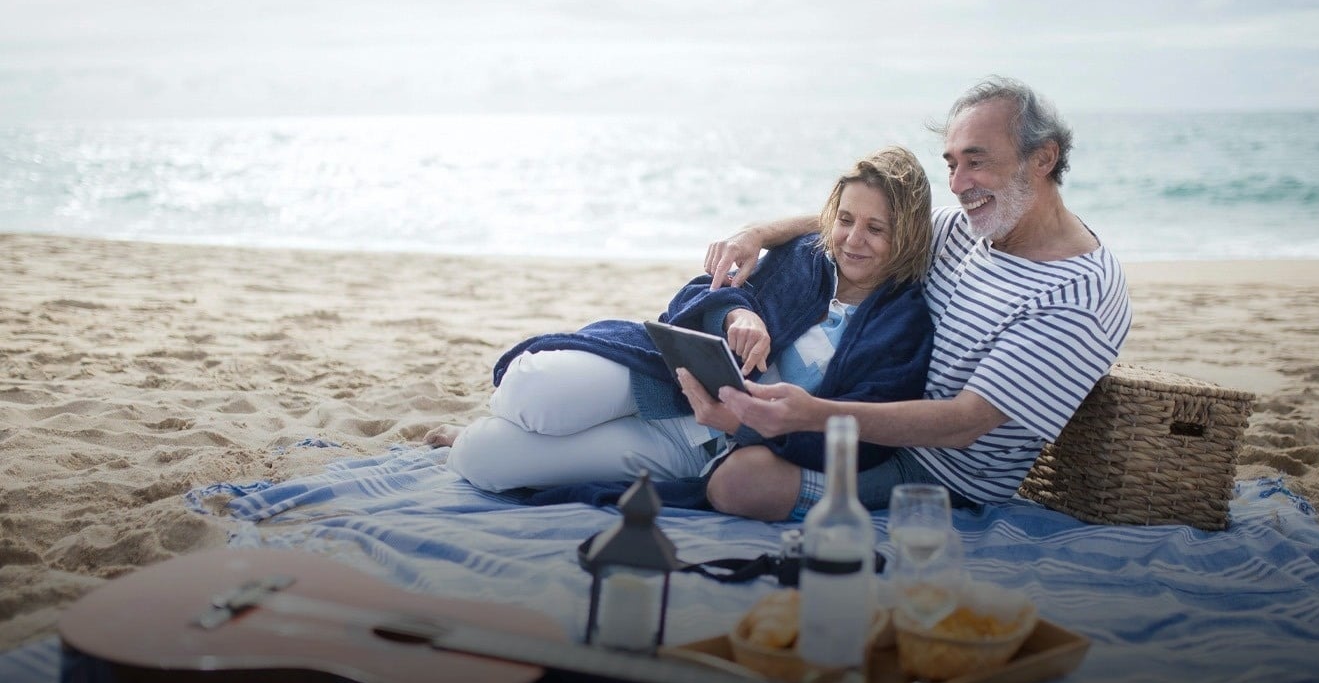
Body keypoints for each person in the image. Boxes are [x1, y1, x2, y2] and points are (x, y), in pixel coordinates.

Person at [681, 76, 1133, 521]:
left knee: (739, 482)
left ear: (1043, 158)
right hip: (869, 417)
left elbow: (964, 423)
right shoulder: (967, 228)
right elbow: (856, 222)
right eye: (951, 164)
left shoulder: (1077, 292)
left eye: (975, 162)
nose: (957, 185)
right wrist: (755, 234)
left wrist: (814, 416)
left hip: (935, 470)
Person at [425, 146, 936, 494]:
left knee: (484, 461)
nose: (851, 239)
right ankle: (533, 418)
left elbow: (858, 442)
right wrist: (742, 312)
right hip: (662, 376)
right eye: (845, 220)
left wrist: (743, 426)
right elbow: (700, 293)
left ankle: (476, 436)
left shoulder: (902, 326)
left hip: (700, 444)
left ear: (908, 236)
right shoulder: (805, 255)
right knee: (528, 391)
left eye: (876, 229)